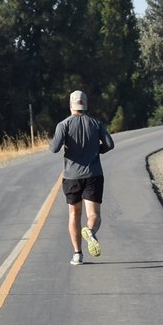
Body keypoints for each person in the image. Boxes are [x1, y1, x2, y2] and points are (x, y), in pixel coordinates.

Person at [50, 89, 114, 265]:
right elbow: (110, 144)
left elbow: (54, 148)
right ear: (85, 105)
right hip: (93, 174)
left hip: (71, 177)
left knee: (73, 214)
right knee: (93, 214)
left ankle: (77, 254)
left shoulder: (63, 125)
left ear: (71, 104)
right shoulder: (95, 123)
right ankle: (91, 232)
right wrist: (96, 151)